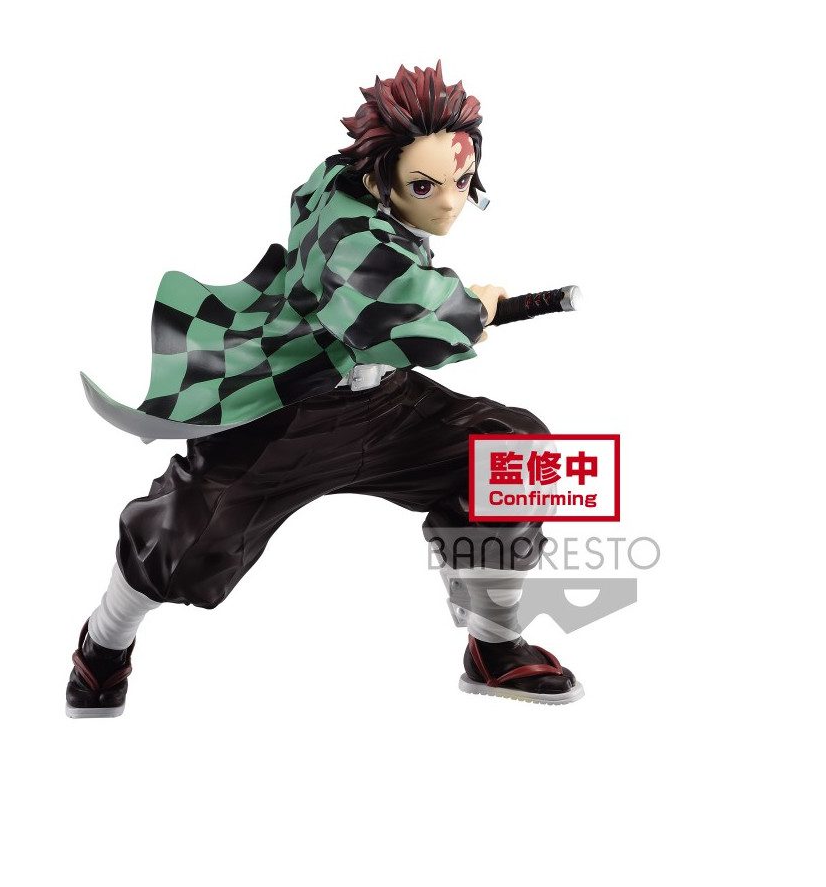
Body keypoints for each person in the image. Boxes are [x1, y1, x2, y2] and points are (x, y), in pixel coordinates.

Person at [66, 62, 582, 717]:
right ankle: (105, 644)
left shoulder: (379, 195)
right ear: (378, 175)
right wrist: (467, 308)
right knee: (186, 542)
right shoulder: (339, 224)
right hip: (289, 412)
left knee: (512, 454)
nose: (450, 203)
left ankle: (494, 647)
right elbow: (376, 299)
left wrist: (457, 309)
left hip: (386, 405)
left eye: (462, 181)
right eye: (426, 186)